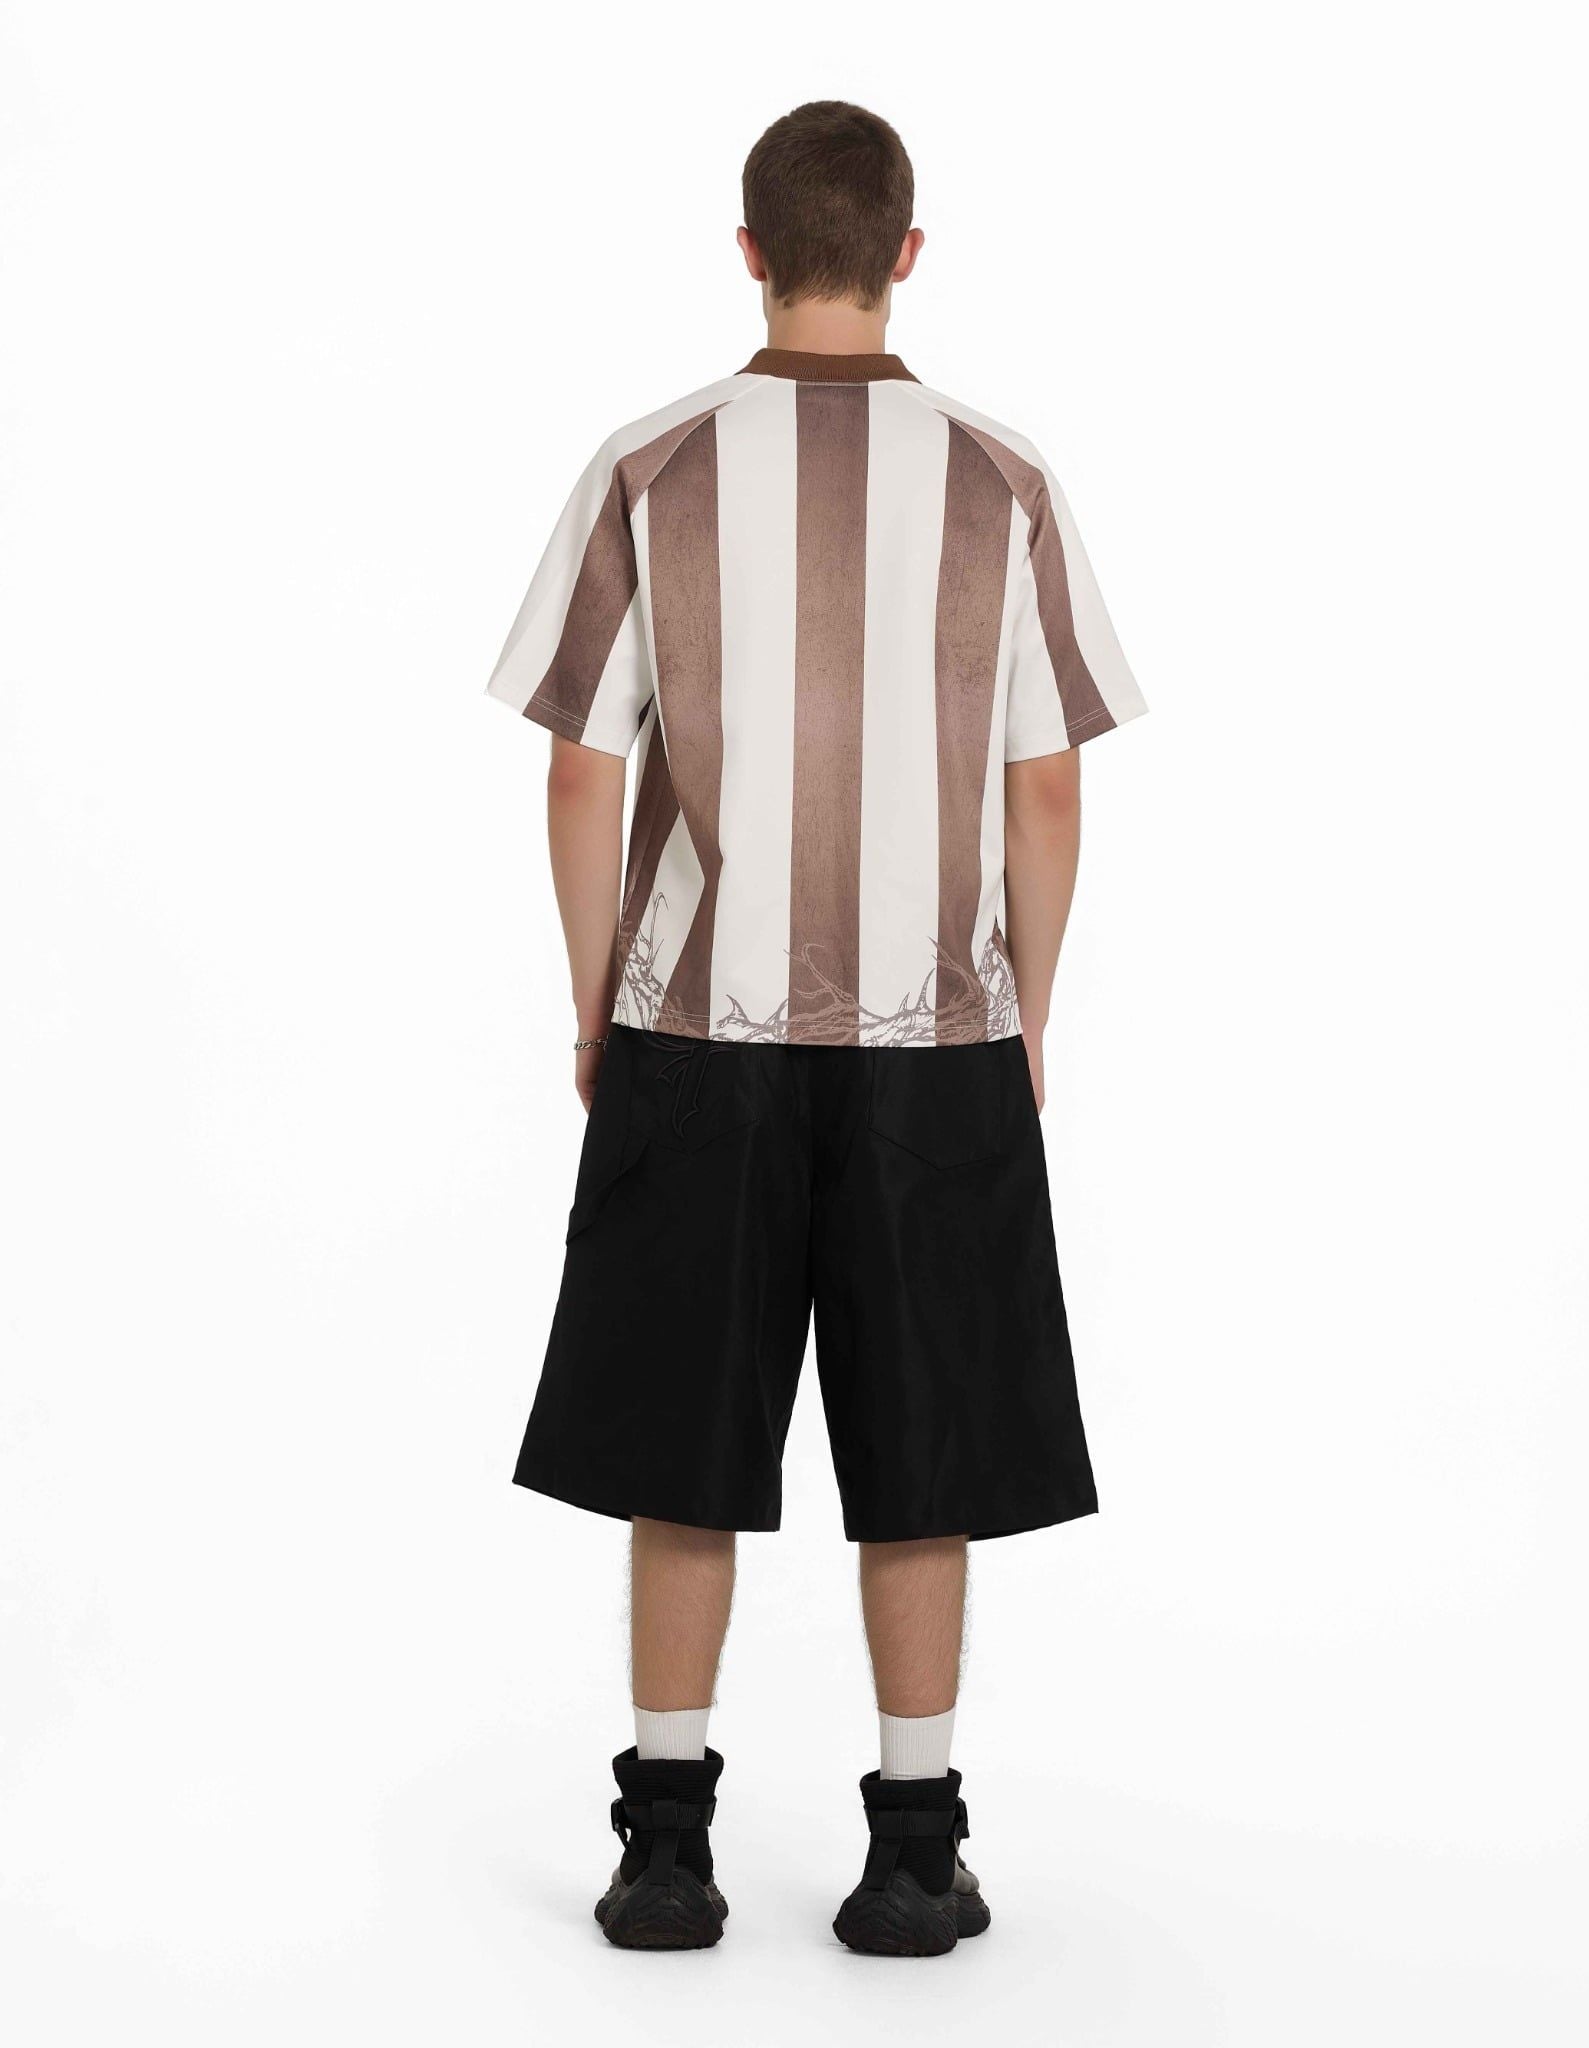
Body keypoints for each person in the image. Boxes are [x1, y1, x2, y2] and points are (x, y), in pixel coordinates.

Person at [485, 99, 1146, 1956]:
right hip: (939, 1038)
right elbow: (1046, 786)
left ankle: (665, 1849)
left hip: (695, 1026)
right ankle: (915, 1853)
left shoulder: (651, 463)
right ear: (907, 254)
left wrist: (597, 1002)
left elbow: (577, 770)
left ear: (751, 251)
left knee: (675, 1440)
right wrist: (1027, 1013)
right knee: (923, 1451)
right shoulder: (1002, 477)